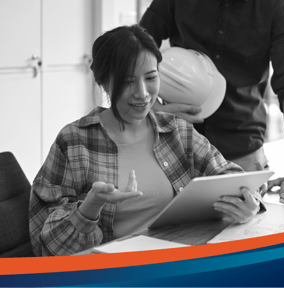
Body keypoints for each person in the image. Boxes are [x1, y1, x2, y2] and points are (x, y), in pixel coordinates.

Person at [28, 25, 265, 257]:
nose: (142, 93)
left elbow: (230, 176)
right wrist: (90, 206)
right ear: (103, 82)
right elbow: (49, 247)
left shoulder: (176, 130)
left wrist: (248, 203)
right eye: (128, 81)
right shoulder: (73, 142)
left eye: (151, 77)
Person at [140, 0, 284, 198]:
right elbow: (133, 53)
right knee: (172, 229)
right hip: (178, 151)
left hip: (242, 156)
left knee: (248, 227)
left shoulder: (276, 5)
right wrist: (154, 108)